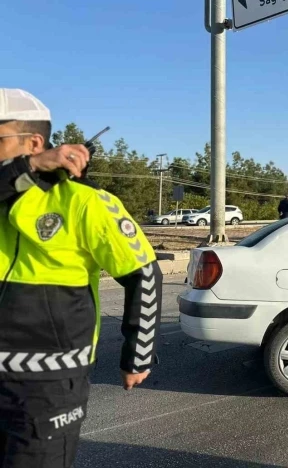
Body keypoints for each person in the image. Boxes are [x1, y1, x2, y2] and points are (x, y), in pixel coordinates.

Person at [0, 88, 162, 467]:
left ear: (34, 142)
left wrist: (137, 356)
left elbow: (145, 275)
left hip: (47, 384)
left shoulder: (84, 201)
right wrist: (25, 169)